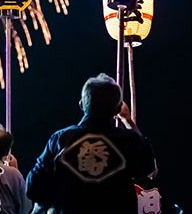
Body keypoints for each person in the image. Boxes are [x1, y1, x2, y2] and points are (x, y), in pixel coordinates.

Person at [26, 73, 156, 214]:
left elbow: (34, 187)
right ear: (117, 109)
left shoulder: (60, 140)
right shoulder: (129, 141)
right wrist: (128, 122)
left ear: (81, 104)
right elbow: (149, 168)